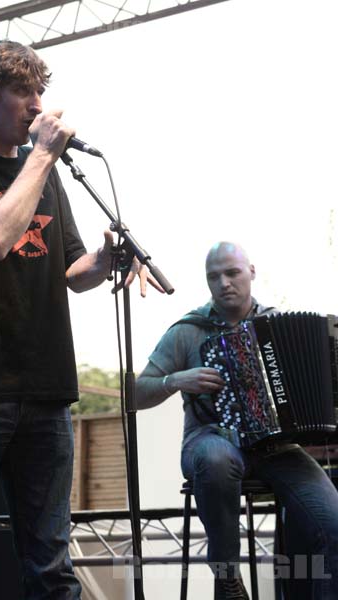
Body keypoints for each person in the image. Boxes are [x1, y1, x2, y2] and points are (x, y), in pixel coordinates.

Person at [0, 40, 161, 599]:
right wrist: (40, 157)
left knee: (53, 570)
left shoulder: (49, 177)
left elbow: (72, 271)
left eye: (40, 90)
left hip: (46, 390)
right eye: (22, 91)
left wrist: (107, 260)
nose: (38, 104)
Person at [136, 241, 338, 600]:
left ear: (252, 273)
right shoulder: (187, 330)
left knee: (333, 523)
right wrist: (175, 380)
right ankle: (227, 577)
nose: (224, 282)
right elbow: (134, 393)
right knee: (215, 459)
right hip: (210, 438)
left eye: (232, 273)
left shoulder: (276, 322)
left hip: (276, 449)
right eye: (214, 276)